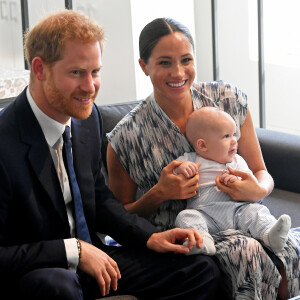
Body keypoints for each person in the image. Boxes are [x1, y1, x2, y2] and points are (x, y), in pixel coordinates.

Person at [0, 10, 222, 300]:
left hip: (95, 256)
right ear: (40, 69)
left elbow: (101, 200)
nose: (90, 87)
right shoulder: (4, 143)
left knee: (200, 269)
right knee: (59, 289)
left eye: (95, 72)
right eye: (77, 72)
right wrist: (74, 250)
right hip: (39, 271)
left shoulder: (86, 120)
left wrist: (150, 236)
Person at [107, 17, 300, 299]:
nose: (178, 72)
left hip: (241, 213)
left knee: (288, 245)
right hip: (191, 230)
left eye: (186, 60)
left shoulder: (228, 100)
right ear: (143, 66)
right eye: (164, 62)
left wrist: (257, 188)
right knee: (245, 251)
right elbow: (118, 218)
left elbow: (262, 172)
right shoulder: (125, 137)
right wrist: (159, 193)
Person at [173, 106, 291, 255]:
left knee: (256, 211)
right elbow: (172, 172)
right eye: (226, 136)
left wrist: (236, 180)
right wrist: (182, 169)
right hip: (205, 214)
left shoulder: (237, 161)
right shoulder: (191, 159)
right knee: (185, 216)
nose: (234, 141)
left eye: (234, 134)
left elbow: (251, 183)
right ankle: (202, 240)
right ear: (202, 145)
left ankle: (270, 234)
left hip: (238, 211)